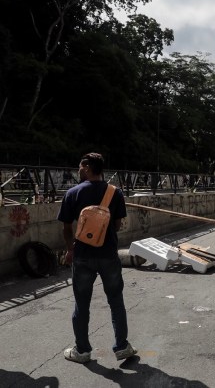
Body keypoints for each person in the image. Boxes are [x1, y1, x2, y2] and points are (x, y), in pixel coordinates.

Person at [57, 153, 136, 363]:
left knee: (82, 304)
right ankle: (122, 347)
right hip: (108, 254)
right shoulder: (115, 192)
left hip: (82, 255)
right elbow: (118, 225)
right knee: (116, 300)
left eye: (80, 167)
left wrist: (70, 249)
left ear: (87, 167)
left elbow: (66, 228)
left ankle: (82, 351)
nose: (78, 170)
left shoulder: (73, 193)